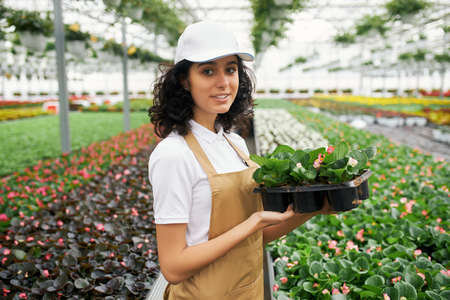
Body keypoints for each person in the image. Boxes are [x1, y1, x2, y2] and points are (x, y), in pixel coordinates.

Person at [148, 20, 335, 300]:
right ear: (185, 81)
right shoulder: (174, 155)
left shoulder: (233, 143)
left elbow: (254, 239)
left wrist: (313, 208)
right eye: (208, 71)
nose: (223, 82)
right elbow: (173, 267)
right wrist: (254, 221)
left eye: (231, 69)